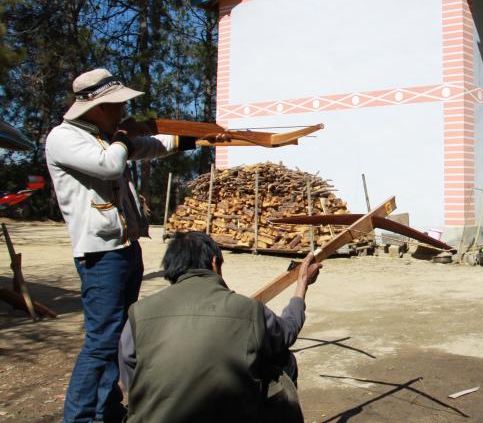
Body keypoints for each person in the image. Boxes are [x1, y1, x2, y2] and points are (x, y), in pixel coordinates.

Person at [45, 68, 215, 422]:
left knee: (119, 336)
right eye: (115, 105)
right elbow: (109, 165)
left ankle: (106, 409)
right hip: (99, 254)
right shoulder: (65, 137)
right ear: (95, 108)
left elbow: (151, 146)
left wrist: (199, 138)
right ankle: (78, 418)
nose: (122, 111)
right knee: (101, 342)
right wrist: (125, 136)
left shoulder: (106, 136)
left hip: (124, 248)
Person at [118, 231, 320, 423]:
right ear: (214, 263)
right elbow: (288, 331)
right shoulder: (248, 310)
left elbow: (130, 371)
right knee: (283, 360)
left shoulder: (139, 312)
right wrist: (302, 284)